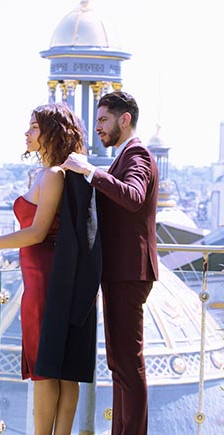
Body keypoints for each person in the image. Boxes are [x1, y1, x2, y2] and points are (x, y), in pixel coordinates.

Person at [0, 103, 95, 435]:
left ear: (52, 133)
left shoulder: (52, 175)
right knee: (63, 369)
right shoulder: (58, 173)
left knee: (45, 368)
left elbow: (36, 232)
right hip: (52, 276)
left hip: (43, 280)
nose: (27, 133)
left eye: (34, 127)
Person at [61, 90, 159, 435]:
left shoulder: (137, 155)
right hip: (123, 271)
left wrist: (90, 171)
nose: (98, 127)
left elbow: (133, 197)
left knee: (128, 364)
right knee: (120, 363)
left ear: (124, 119)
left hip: (129, 272)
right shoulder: (125, 157)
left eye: (103, 119)